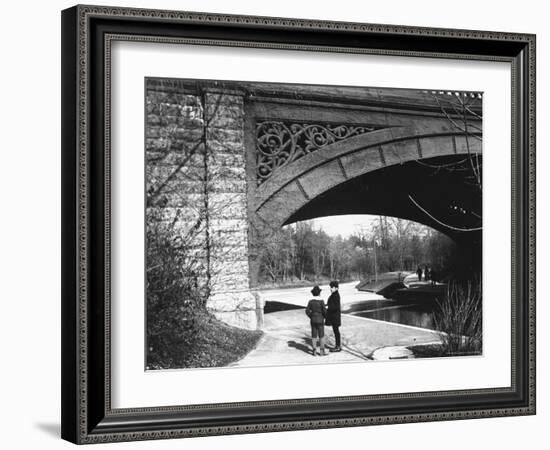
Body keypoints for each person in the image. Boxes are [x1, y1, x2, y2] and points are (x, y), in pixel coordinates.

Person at [305, 285, 327, 356]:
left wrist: (311, 316)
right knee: (321, 335)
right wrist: (324, 317)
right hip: (320, 319)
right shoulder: (321, 301)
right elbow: (324, 311)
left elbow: (307, 311)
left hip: (313, 320)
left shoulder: (310, 302)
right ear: (319, 293)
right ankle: (321, 351)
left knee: (314, 335)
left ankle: (314, 351)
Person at [325, 280, 342, 352]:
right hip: (334, 316)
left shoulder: (336, 296)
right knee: (336, 331)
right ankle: (338, 346)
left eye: (332, 287)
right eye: (331, 287)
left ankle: (338, 346)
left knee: (336, 331)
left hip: (335, 317)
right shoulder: (334, 295)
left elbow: (336, 307)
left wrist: (328, 308)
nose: (331, 289)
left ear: (336, 288)